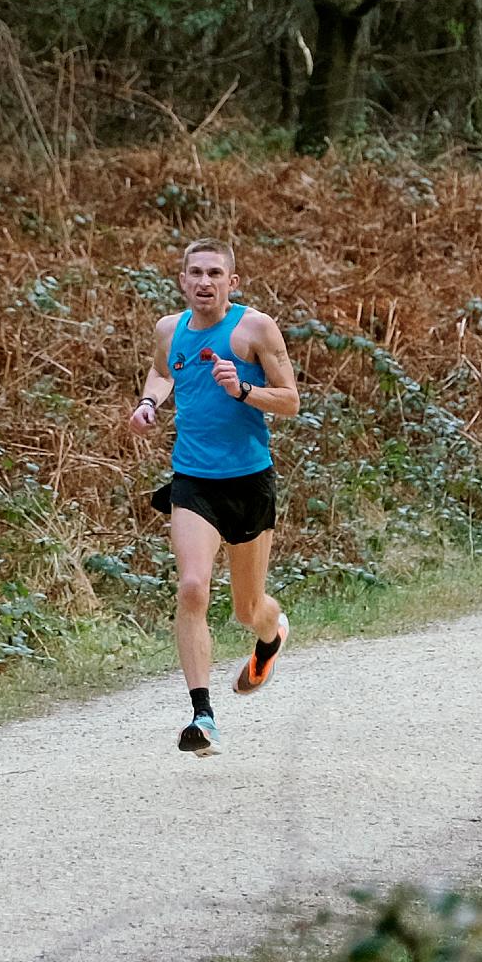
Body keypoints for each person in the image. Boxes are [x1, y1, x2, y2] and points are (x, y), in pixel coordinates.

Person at [127, 240, 300, 754]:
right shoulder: (169, 329)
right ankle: (202, 717)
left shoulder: (254, 329)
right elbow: (163, 370)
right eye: (196, 273)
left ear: (233, 281)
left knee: (248, 608)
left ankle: (271, 635)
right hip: (193, 480)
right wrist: (148, 403)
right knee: (193, 588)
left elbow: (290, 401)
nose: (205, 282)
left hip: (248, 479)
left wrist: (242, 391)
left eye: (215, 274)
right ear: (182, 280)